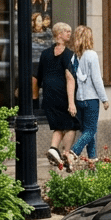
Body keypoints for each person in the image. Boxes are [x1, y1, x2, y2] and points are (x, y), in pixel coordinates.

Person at [36, 22, 79, 169]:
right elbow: (70, 78)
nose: (69, 34)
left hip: (48, 96)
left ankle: (53, 149)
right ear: (59, 34)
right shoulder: (69, 54)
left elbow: (38, 77)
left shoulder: (44, 54)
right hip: (62, 96)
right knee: (72, 124)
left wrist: (37, 96)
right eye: (67, 31)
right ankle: (67, 155)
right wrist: (71, 103)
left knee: (59, 125)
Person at [68, 24, 109, 163]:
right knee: (91, 130)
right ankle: (74, 151)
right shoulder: (92, 55)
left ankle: (93, 160)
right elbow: (97, 80)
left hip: (79, 99)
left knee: (87, 131)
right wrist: (104, 99)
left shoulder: (74, 57)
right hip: (91, 99)